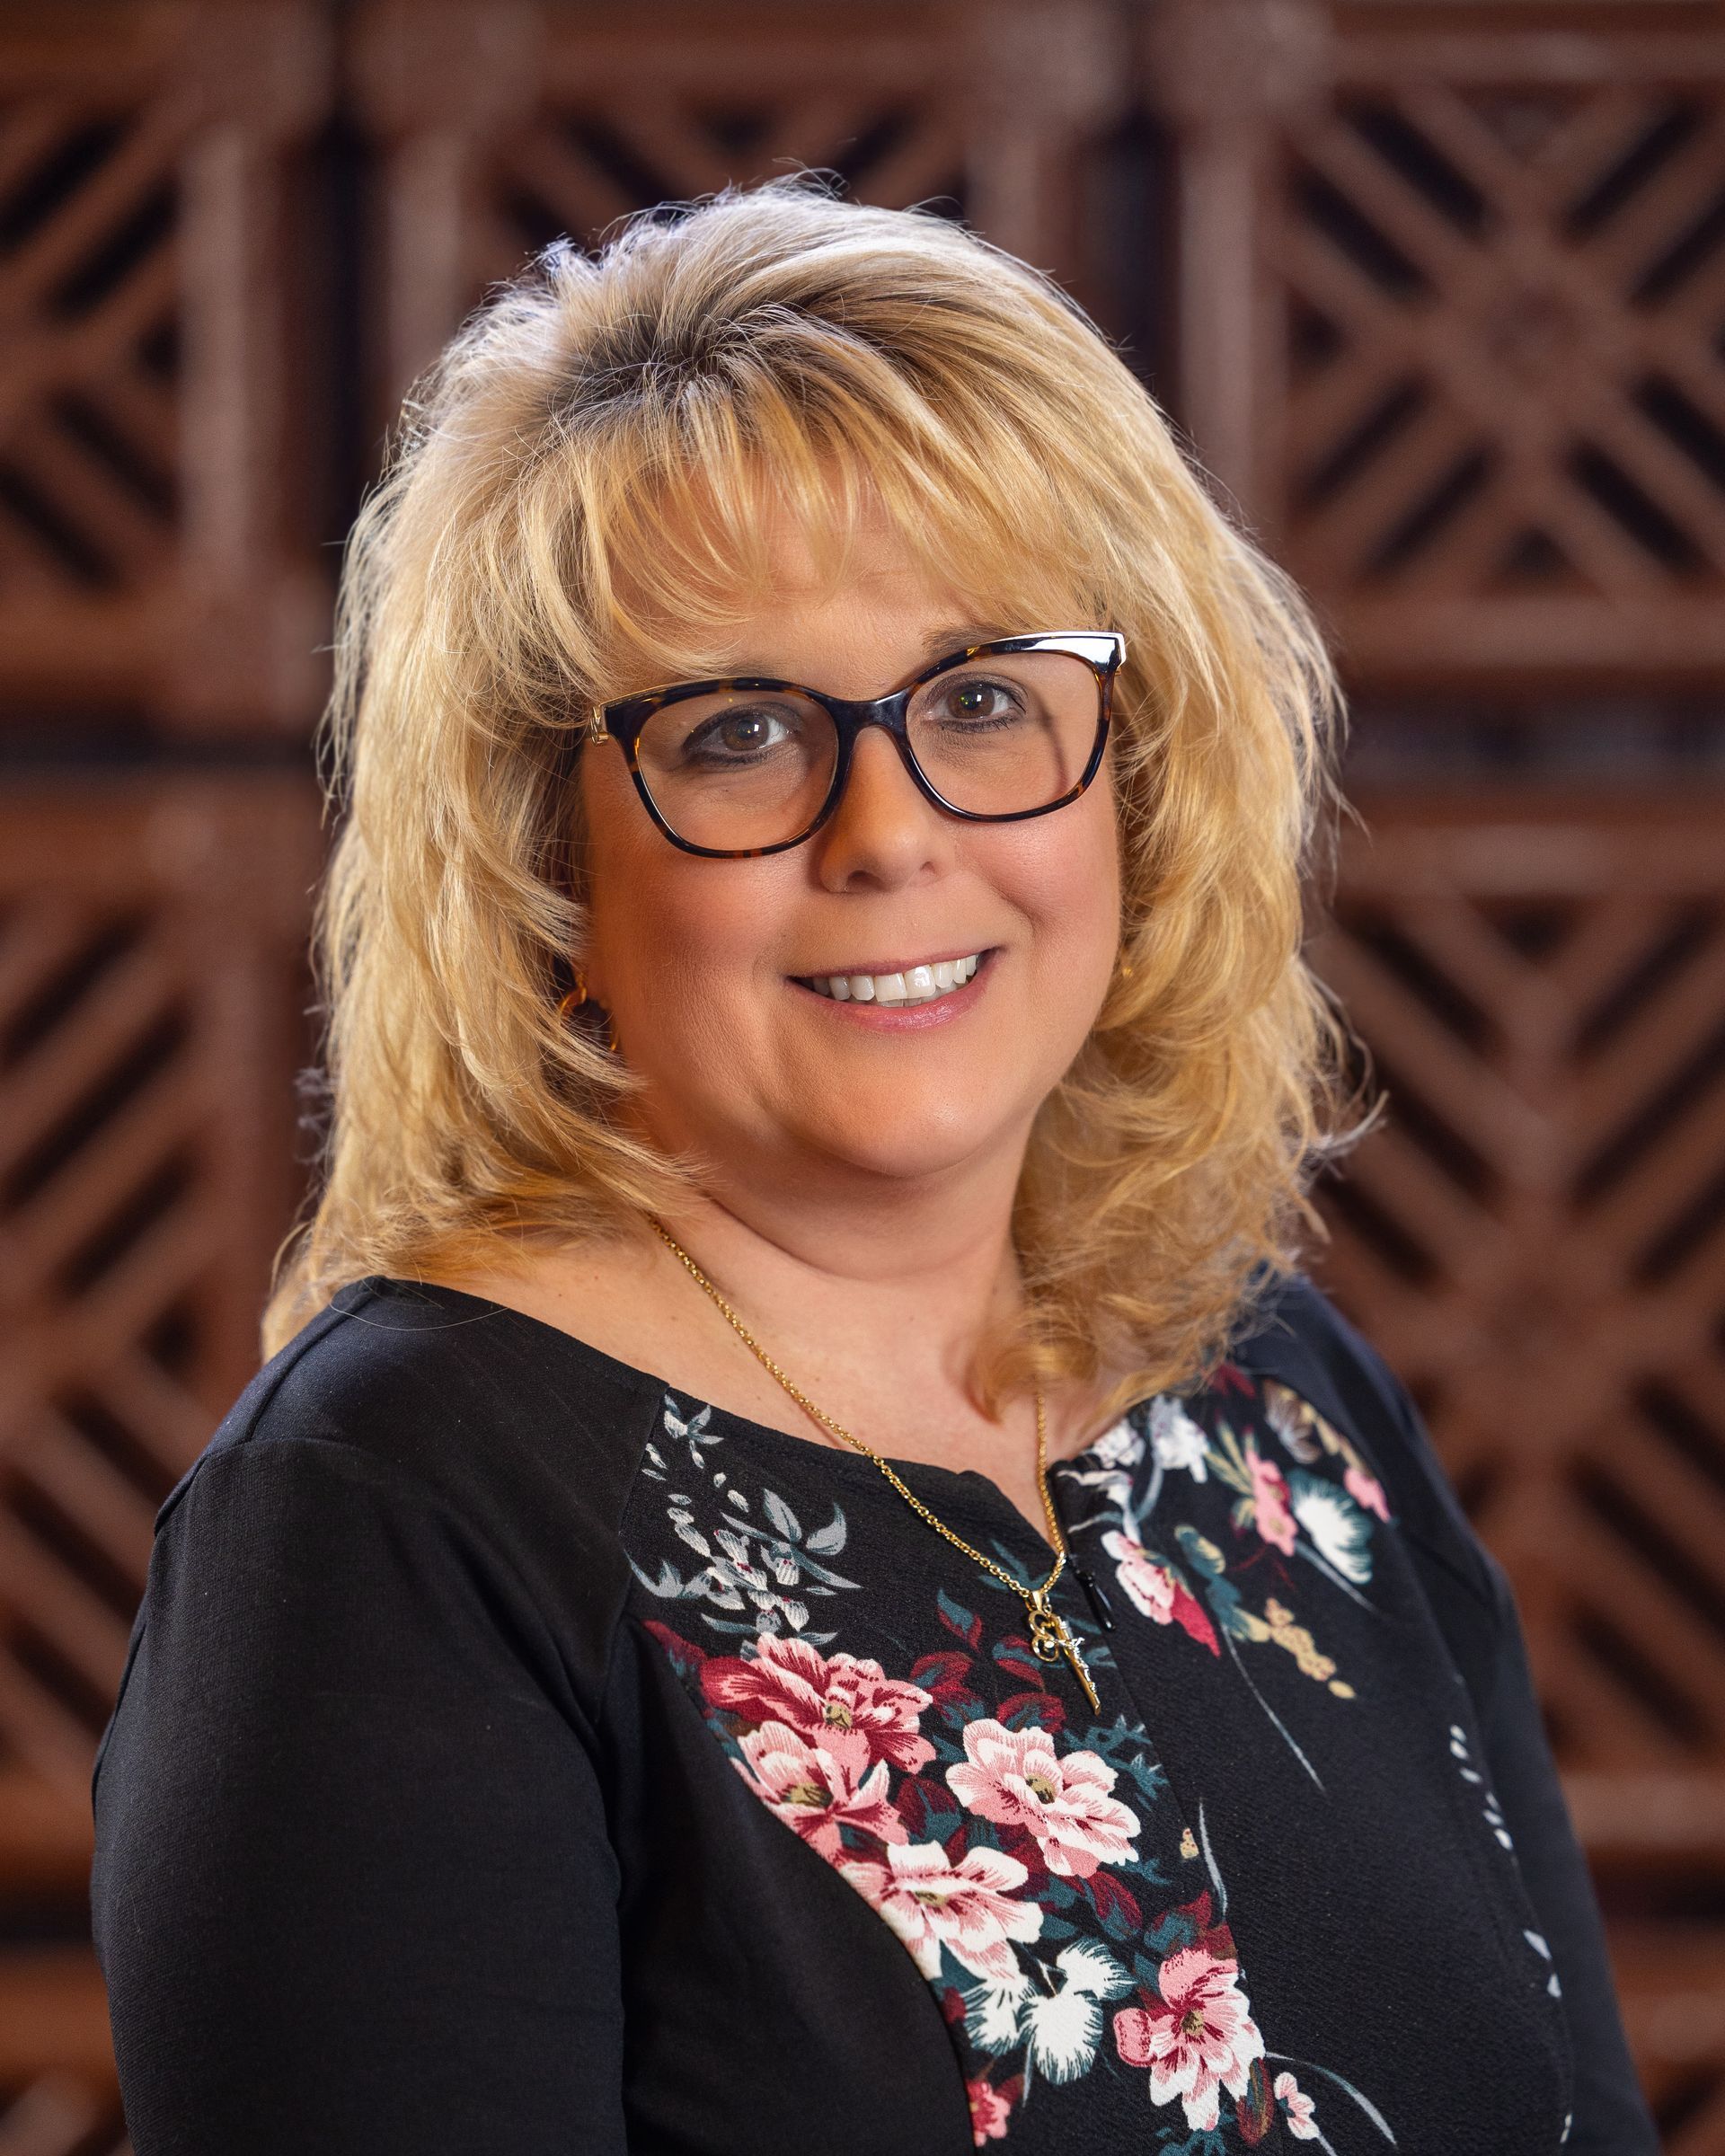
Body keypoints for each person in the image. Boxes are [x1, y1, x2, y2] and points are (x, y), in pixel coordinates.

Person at [89, 175, 1658, 2155]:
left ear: (1141, 780)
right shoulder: (381, 1523)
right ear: (543, 861)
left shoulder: (1275, 1398)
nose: (890, 835)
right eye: (741, 733)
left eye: (985, 700)